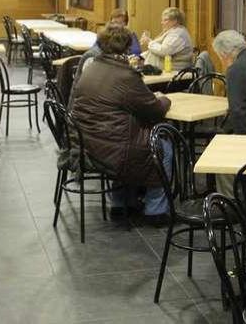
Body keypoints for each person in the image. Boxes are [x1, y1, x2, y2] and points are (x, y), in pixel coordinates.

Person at [69, 23, 173, 224]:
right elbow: (155, 109)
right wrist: (164, 99)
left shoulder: (91, 67)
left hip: (86, 143)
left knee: (123, 136)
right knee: (164, 145)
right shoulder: (126, 76)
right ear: (127, 46)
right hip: (113, 149)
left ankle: (122, 202)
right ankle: (156, 210)